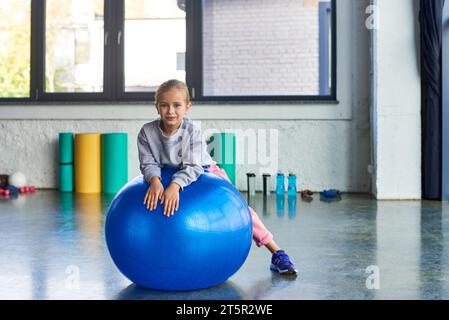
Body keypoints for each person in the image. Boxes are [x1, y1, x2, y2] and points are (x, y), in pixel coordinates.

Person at [137, 79, 297, 276]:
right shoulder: (147, 132)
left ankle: (277, 252)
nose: (170, 111)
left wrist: (175, 186)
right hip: (167, 173)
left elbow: (193, 165)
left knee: (241, 209)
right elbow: (148, 162)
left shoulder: (192, 131)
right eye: (164, 105)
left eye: (177, 105)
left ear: (187, 107)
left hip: (204, 170)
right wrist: (154, 180)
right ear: (156, 107)